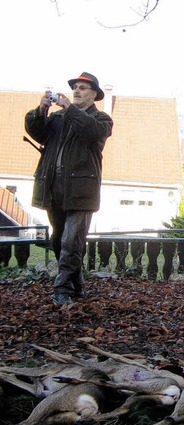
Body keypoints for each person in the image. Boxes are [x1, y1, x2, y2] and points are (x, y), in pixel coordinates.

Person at [25, 72, 113, 306]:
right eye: (75, 87)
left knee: (71, 241)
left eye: (83, 88)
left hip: (82, 191)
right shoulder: (59, 117)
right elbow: (38, 132)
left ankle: (62, 289)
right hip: (54, 188)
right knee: (58, 239)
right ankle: (77, 283)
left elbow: (91, 131)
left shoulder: (101, 119)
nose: (76, 91)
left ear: (94, 94)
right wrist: (41, 110)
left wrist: (69, 108)